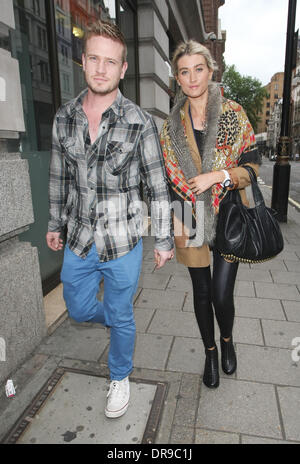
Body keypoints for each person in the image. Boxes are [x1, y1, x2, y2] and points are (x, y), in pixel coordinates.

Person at [46, 19, 174, 418]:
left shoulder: (140, 121)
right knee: (79, 308)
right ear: (83, 62)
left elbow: (156, 183)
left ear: (123, 69)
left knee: (119, 312)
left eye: (111, 61)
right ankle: (120, 323)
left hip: (123, 242)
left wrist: (165, 240)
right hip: (80, 239)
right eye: (95, 59)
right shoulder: (64, 118)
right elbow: (58, 175)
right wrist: (54, 224)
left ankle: (119, 375)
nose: (102, 69)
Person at [160, 40, 260, 388]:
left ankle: (228, 339)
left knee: (221, 293)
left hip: (229, 210)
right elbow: (168, 176)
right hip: (187, 214)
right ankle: (210, 352)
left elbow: (252, 166)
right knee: (201, 293)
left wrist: (218, 176)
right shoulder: (170, 125)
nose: (192, 78)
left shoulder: (232, 112)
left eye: (198, 69)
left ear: (211, 70)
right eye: (184, 71)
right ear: (177, 77)